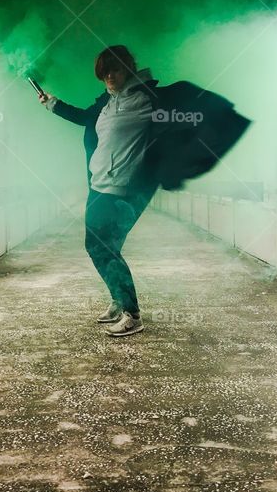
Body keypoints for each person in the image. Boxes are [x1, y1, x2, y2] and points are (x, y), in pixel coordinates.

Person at [39, 45, 250, 338]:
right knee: (103, 246)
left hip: (126, 187)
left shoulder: (149, 100)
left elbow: (183, 122)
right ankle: (118, 299)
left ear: (128, 68)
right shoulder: (107, 103)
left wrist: (175, 161)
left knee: (101, 246)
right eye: (104, 73)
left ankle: (132, 314)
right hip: (98, 184)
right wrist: (52, 103)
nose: (109, 77)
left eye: (114, 70)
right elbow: (85, 118)